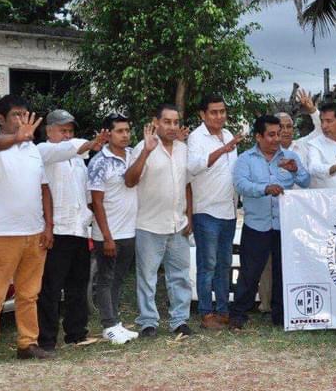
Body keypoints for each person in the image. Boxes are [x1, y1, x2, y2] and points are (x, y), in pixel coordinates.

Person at [0, 95, 54, 364]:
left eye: (25, 115)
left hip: (33, 233)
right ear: (0, 119)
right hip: (0, 234)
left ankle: (27, 343)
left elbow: (44, 189)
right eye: (16, 115)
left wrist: (48, 226)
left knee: (29, 294)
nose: (22, 120)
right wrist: (17, 138)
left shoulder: (32, 150)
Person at [35, 110, 107, 353]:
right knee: (51, 288)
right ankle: (46, 339)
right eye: (62, 130)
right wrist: (90, 143)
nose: (67, 136)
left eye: (70, 131)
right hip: (57, 230)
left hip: (78, 230)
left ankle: (76, 334)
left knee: (78, 286)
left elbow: (86, 194)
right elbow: (68, 149)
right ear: (49, 131)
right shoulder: (43, 152)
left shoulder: (78, 160)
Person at [230, 115, 311, 328]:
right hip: (257, 226)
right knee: (250, 272)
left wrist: (295, 170)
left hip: (284, 226)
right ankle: (238, 314)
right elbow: (241, 185)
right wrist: (264, 189)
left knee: (283, 271)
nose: (277, 139)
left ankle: (281, 315)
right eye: (271, 134)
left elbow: (306, 181)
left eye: (279, 134)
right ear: (258, 136)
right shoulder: (246, 159)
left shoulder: (290, 157)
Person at [124, 104, 194, 338]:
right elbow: (130, 181)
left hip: (178, 224)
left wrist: (189, 218)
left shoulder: (184, 149)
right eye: (167, 122)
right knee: (147, 277)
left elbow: (187, 185)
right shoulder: (142, 148)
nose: (172, 127)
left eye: (176, 122)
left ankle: (180, 321)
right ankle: (148, 322)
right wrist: (145, 151)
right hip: (149, 225)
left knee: (180, 277)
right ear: (156, 122)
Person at [187, 95, 243, 330]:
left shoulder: (229, 135)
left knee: (224, 264)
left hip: (229, 212)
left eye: (222, 111)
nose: (219, 116)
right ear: (202, 114)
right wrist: (223, 150)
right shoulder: (195, 137)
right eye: (213, 112)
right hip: (206, 211)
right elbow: (193, 167)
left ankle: (222, 310)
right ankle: (206, 312)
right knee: (206, 264)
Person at [88, 114, 140, 345]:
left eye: (127, 130)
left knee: (118, 279)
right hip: (108, 234)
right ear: (108, 134)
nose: (125, 135)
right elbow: (96, 202)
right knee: (106, 279)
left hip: (129, 232)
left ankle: (116, 322)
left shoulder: (132, 155)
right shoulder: (100, 162)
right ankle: (108, 325)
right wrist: (106, 237)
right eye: (120, 131)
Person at [277, 88, 322, 162]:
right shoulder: (269, 152)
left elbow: (323, 129)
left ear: (293, 129)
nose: (286, 131)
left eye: (289, 126)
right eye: (281, 127)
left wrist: (312, 110)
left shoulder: (304, 144)